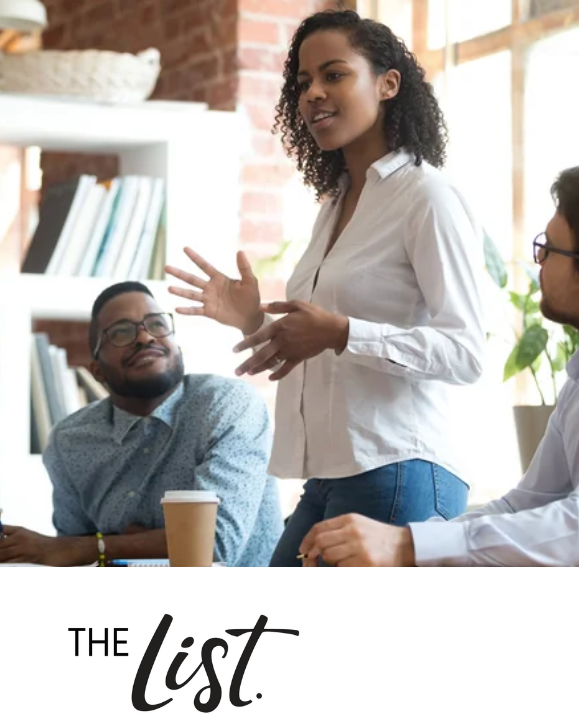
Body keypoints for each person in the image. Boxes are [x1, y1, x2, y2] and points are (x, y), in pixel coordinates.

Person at [165, 9, 485, 566]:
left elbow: (465, 352)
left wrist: (340, 332)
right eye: (303, 82)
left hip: (401, 468)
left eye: (333, 75)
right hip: (331, 476)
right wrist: (251, 321)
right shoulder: (335, 205)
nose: (313, 93)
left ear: (388, 84)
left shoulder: (426, 198)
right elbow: (323, 343)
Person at [300, 164, 579, 567]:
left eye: (549, 249)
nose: (539, 262)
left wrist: (406, 547)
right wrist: (408, 541)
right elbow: (526, 504)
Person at [0, 282, 283, 566]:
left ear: (178, 348)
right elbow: (72, 557)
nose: (145, 337)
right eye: (121, 333)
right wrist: (117, 546)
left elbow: (213, 544)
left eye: (158, 325)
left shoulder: (227, 405)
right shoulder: (70, 441)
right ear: (97, 370)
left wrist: (100, 545)